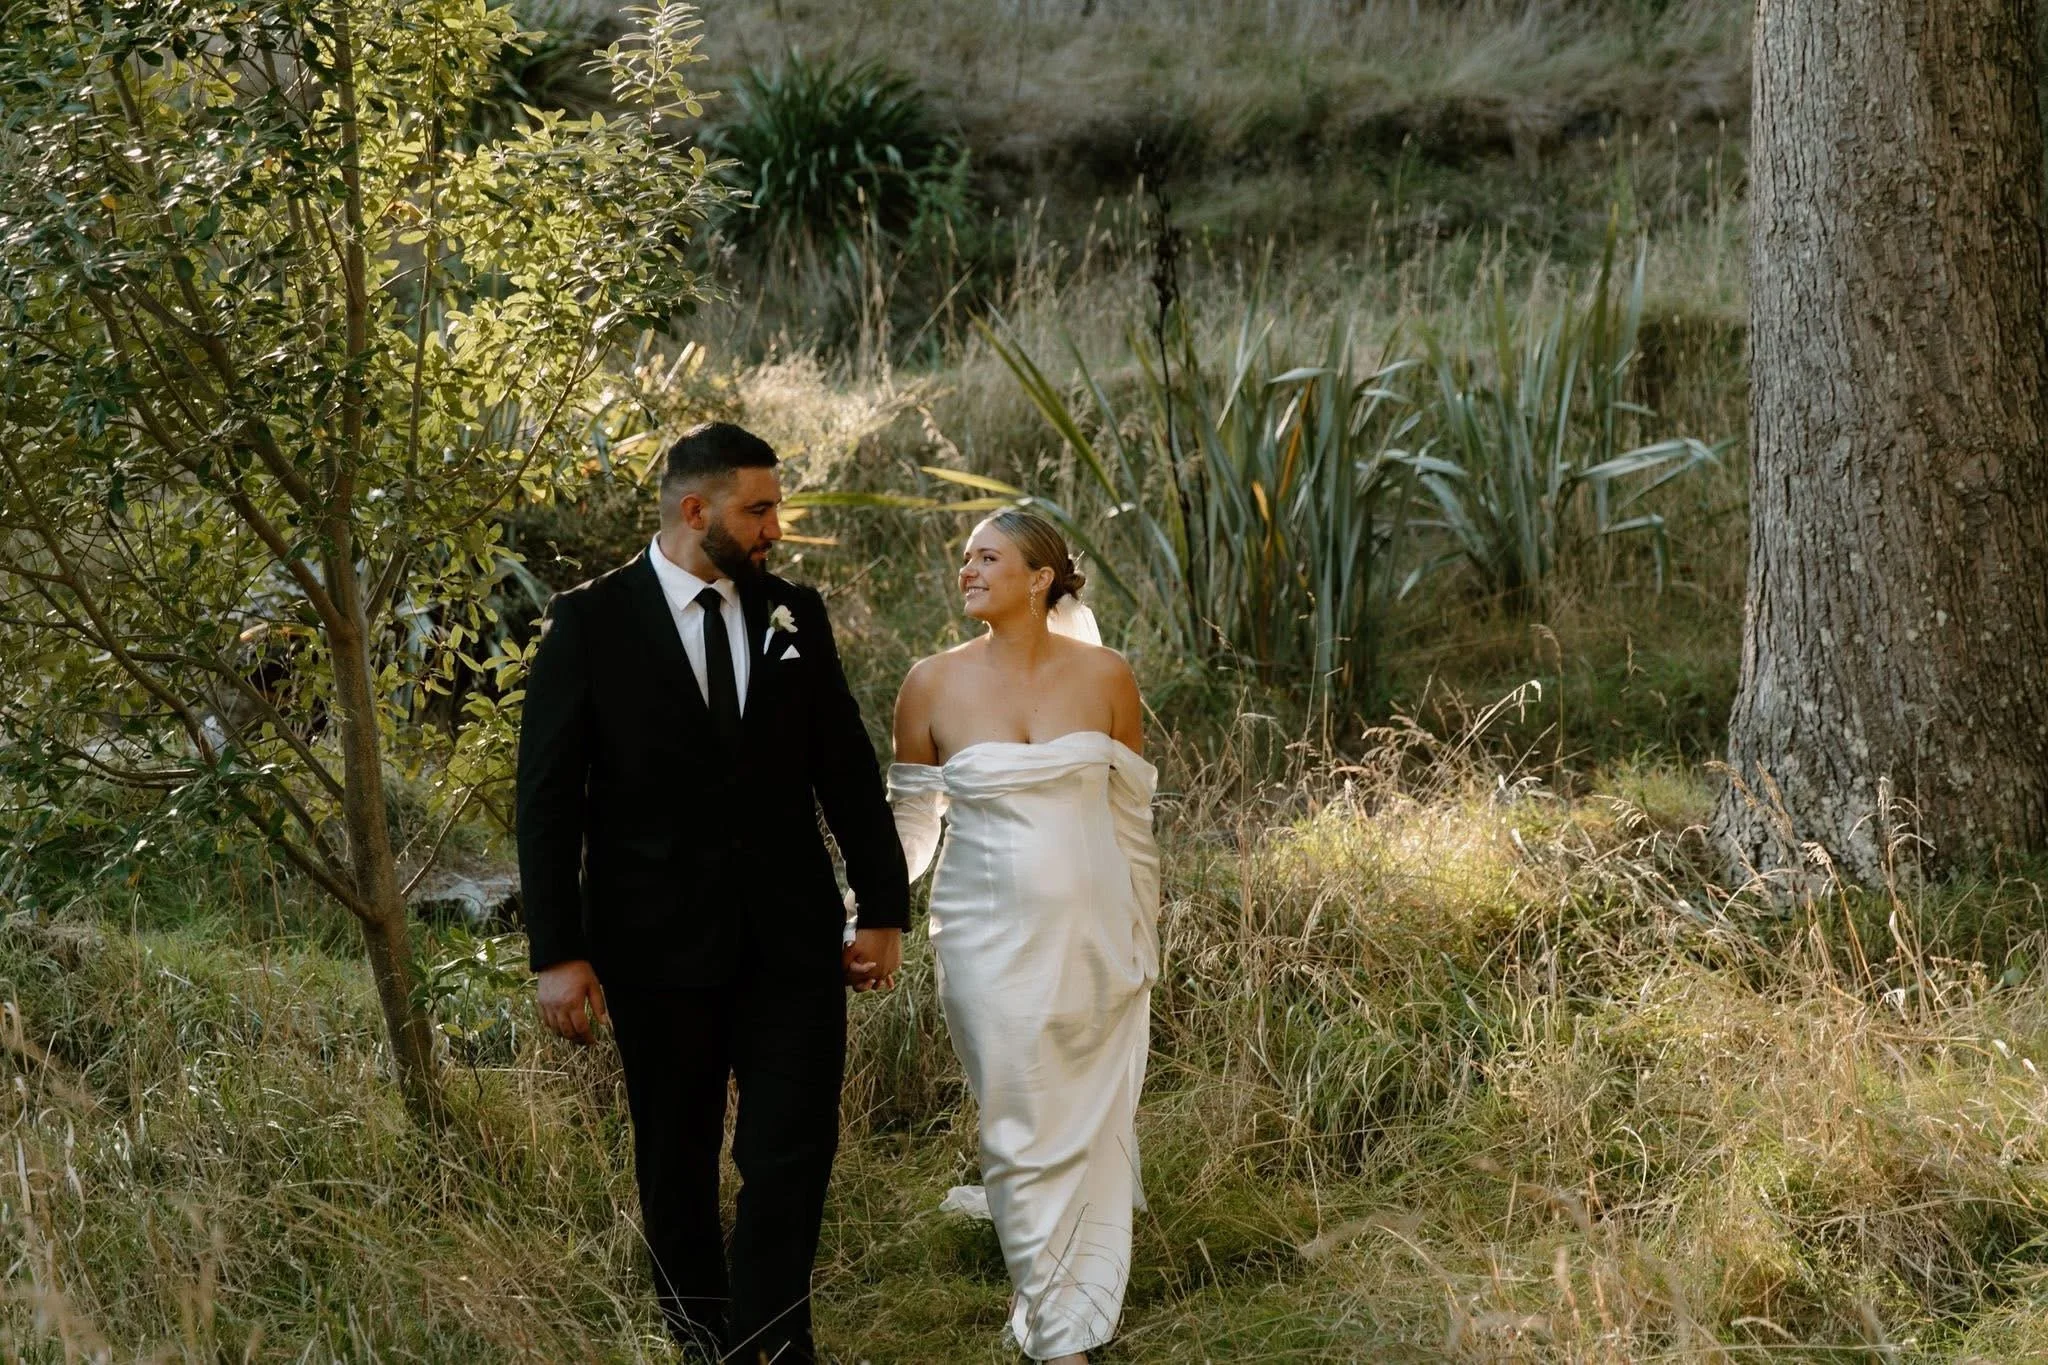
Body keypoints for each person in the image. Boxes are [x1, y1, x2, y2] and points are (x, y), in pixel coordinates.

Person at [515, 421, 909, 1364]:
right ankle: (700, 1341)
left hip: (791, 941)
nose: (778, 526)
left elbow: (846, 769)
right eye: (760, 508)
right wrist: (559, 952)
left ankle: (770, 1343)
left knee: (791, 1152)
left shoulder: (794, 614)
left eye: (778, 506)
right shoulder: (591, 622)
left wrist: (885, 904)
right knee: (676, 1163)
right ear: (697, 510)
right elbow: (546, 798)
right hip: (654, 949)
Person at [885, 509, 1162, 1365]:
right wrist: (870, 910)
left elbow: (1132, 820)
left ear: (1041, 576)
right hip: (982, 934)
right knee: (1016, 1114)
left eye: (987, 557)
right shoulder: (929, 684)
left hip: (1095, 927)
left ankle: (1051, 1280)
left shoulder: (1108, 677)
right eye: (964, 558)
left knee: (1082, 1117)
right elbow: (911, 825)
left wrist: (1143, 932)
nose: (967, 570)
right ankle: (1060, 1338)